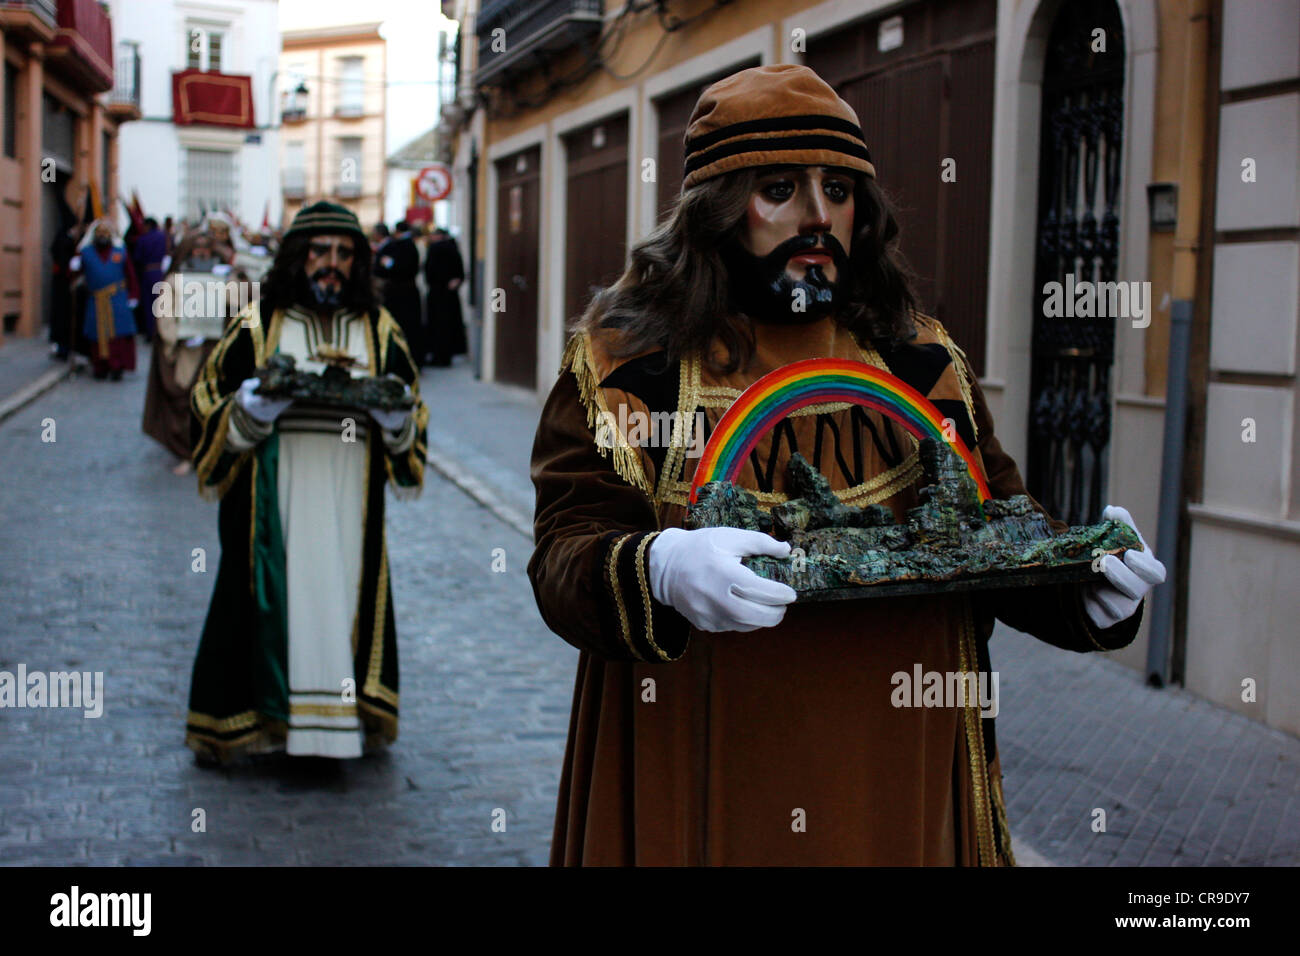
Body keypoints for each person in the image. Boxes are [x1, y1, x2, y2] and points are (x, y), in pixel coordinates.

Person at [527, 64, 1166, 866]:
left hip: (902, 780)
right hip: (708, 777)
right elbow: (561, 558)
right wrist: (653, 568)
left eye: (838, 188)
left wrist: (1084, 588)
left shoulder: (923, 363)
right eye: (779, 189)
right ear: (717, 214)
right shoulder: (626, 367)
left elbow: (1000, 535)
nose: (816, 216)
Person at [185, 200, 429, 765]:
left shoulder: (379, 329)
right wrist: (248, 410)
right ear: (298, 257)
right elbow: (205, 403)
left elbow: (412, 411)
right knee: (267, 602)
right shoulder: (257, 325)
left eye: (344, 254)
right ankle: (266, 723)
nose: (332, 264)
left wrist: (397, 423)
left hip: (351, 502)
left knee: (341, 598)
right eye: (320, 251)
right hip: (271, 501)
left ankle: (337, 727)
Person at [141, 233, 219, 475]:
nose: (202, 253)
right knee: (185, 404)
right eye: (197, 249)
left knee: (211, 404)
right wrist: (177, 337)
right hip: (187, 352)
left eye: (206, 248)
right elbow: (164, 316)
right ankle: (187, 453)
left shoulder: (221, 277)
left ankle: (208, 453)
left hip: (213, 350)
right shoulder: (174, 281)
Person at [70, 219, 139, 380]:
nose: (102, 235)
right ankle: (100, 366)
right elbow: (75, 278)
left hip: (117, 298)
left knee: (119, 335)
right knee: (96, 335)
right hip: (96, 300)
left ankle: (117, 367)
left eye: (105, 232)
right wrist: (73, 267)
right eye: (99, 233)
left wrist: (134, 295)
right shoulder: (85, 253)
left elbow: (131, 275)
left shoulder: (120, 251)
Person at [373, 219, 424, 369]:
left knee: (403, 329)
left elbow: (399, 268)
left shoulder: (403, 246)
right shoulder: (406, 245)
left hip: (402, 296)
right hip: (405, 295)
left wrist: (388, 264)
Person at [423, 227, 466, 366]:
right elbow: (460, 272)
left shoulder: (435, 249)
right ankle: (445, 355)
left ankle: (438, 356)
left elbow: (429, 271)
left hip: (437, 293)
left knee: (437, 325)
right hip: (448, 294)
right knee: (447, 325)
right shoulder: (452, 248)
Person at [132, 217, 169, 341]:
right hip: (160, 273)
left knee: (149, 305)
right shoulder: (163, 237)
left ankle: (151, 332)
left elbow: (137, 257)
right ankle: (161, 331)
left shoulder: (143, 239)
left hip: (148, 273)